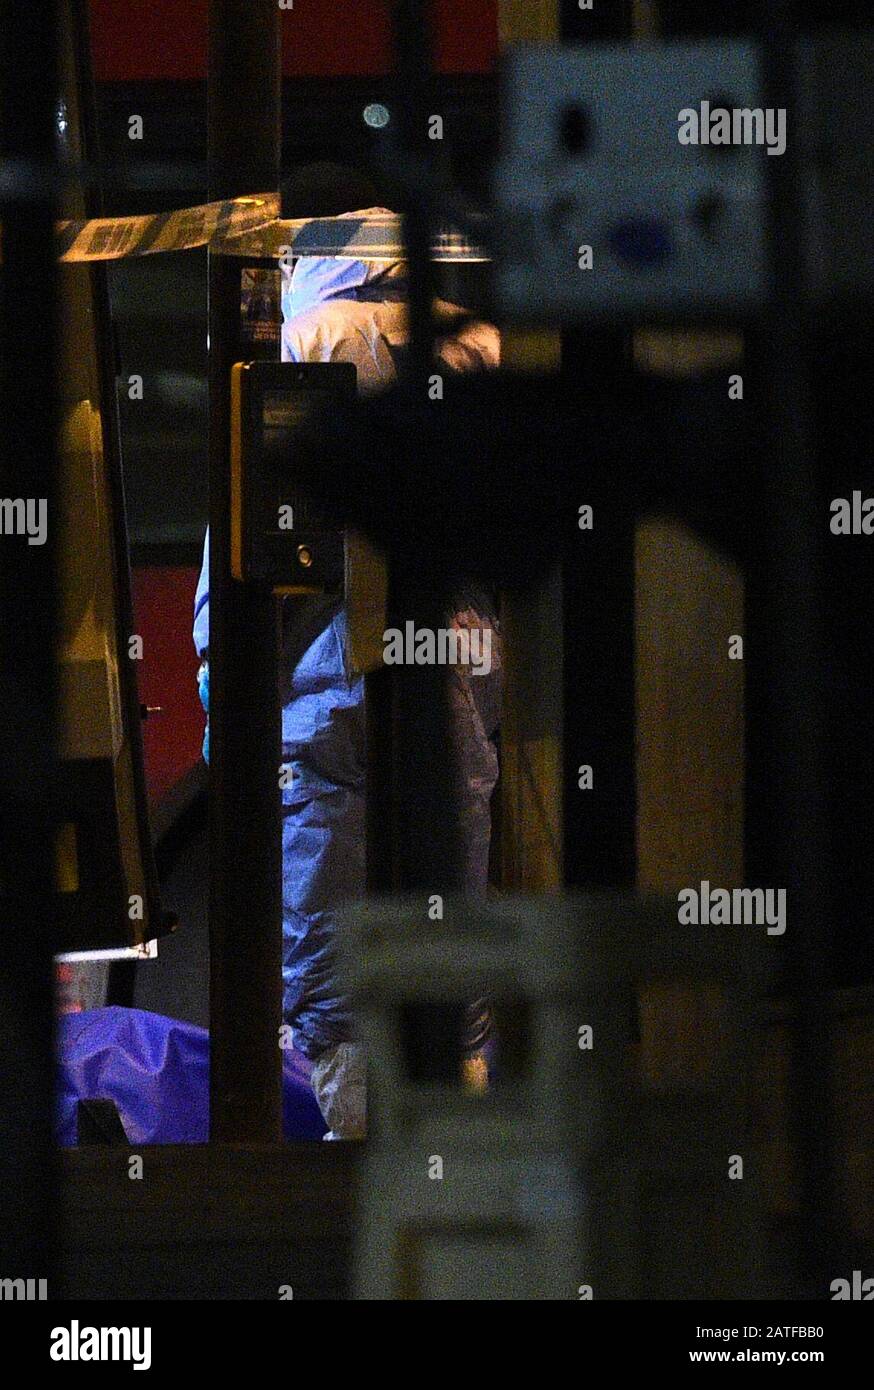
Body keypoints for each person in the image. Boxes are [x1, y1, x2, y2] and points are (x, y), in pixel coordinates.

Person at [194, 166, 501, 1138]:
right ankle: (455, 1068)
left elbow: (228, 589)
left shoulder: (296, 354)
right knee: (454, 842)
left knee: (325, 852)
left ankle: (356, 1099)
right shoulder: (475, 355)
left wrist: (222, 692)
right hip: (450, 661)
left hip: (320, 675)